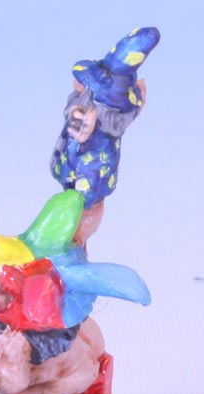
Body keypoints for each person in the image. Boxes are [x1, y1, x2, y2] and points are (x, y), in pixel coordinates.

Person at [51, 27, 160, 246]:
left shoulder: (99, 115)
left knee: (87, 203)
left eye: (82, 81)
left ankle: (76, 241)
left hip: (92, 171)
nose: (77, 83)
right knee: (72, 199)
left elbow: (82, 132)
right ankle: (70, 240)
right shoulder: (83, 105)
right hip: (75, 164)